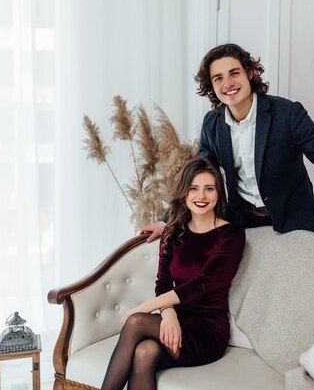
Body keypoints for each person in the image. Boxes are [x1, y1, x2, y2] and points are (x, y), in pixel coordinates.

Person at [142, 43, 314, 240]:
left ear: (250, 74)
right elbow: (197, 176)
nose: (227, 83)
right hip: (242, 224)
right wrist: (166, 220)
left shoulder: (288, 114)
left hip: (294, 220)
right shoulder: (212, 124)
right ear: (212, 86)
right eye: (218, 78)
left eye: (234, 73)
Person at [100, 157, 245, 390]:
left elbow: (201, 284)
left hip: (207, 330)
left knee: (136, 321)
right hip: (175, 320)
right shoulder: (172, 232)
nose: (201, 197)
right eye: (194, 189)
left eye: (209, 189)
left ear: (219, 194)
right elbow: (164, 281)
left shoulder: (231, 235)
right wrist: (168, 314)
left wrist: (146, 307)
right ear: (184, 193)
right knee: (144, 352)